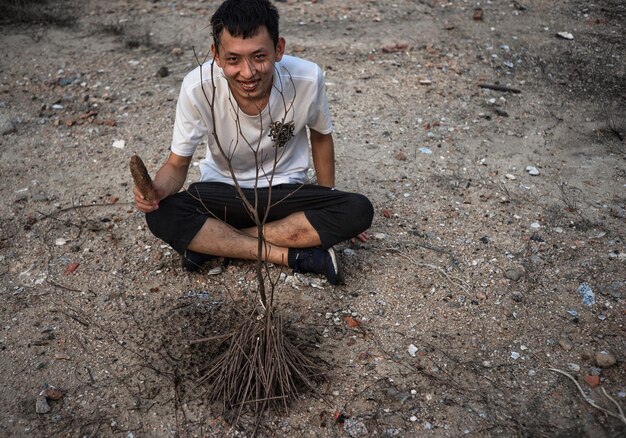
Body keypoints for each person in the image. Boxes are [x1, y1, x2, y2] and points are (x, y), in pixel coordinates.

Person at [133, 0, 373, 285]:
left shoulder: (307, 77)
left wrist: (328, 199)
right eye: (233, 59)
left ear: (279, 48)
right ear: (216, 55)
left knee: (358, 209)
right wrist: (157, 191)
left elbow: (321, 136)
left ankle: (213, 243)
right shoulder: (197, 87)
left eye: (259, 57)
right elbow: (176, 164)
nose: (247, 73)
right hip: (222, 193)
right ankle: (294, 256)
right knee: (163, 216)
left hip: (285, 193)